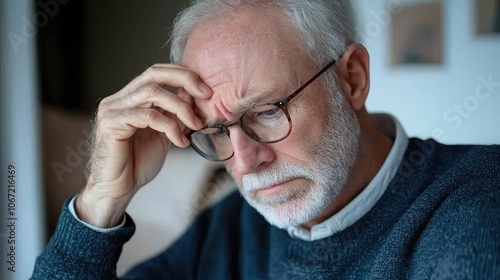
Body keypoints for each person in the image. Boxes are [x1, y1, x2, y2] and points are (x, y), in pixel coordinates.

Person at [32, 0, 500, 279]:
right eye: (216, 131)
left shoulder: (476, 205)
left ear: (352, 79)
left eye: (267, 112)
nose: (245, 161)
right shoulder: (234, 227)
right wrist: (100, 203)